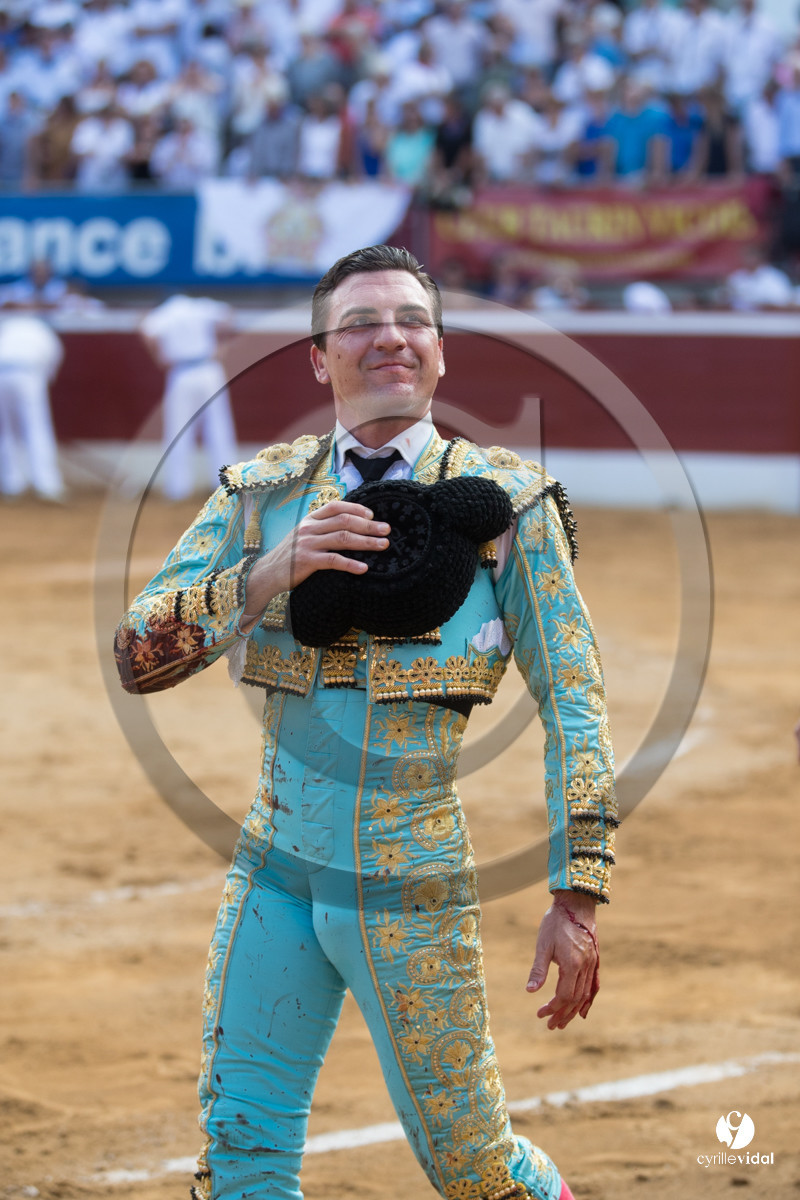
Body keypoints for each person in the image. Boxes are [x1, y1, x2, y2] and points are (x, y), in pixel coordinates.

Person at [115, 245, 617, 1200]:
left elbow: (575, 703)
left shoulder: (509, 506)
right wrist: (268, 575)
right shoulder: (261, 496)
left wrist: (576, 892)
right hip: (274, 869)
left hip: (410, 877)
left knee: (474, 1172)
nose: (388, 337)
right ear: (319, 356)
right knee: (241, 1156)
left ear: (438, 351)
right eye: (359, 323)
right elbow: (136, 655)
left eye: (410, 321)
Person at [140, 293, 237, 501]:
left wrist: (159, 356)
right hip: (210, 368)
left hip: (182, 371)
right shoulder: (202, 306)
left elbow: (147, 331)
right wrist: (222, 346)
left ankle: (178, 488)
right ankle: (226, 486)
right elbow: (228, 318)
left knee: (178, 430)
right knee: (219, 427)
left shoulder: (163, 313)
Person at [0, 311, 65, 501]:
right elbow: (51, 368)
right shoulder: (44, 332)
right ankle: (47, 484)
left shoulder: (7, 327)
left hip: (1, 372)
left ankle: (12, 485)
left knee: (7, 430)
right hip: (29, 373)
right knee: (37, 427)